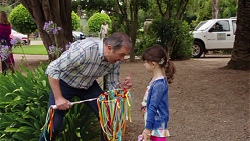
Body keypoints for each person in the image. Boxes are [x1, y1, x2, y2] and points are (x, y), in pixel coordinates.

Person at [39, 32, 133, 141]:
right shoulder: (85, 50)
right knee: (53, 125)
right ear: (109, 48)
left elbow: (111, 85)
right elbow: (52, 69)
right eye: (121, 54)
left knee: (110, 120)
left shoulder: (115, 61)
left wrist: (121, 88)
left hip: (88, 85)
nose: (122, 59)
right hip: (65, 83)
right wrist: (59, 98)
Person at [140, 45, 176, 141]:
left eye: (145, 62)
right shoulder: (154, 80)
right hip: (153, 124)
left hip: (156, 126)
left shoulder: (158, 84)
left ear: (153, 64)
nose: (143, 64)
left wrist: (147, 129)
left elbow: (153, 106)